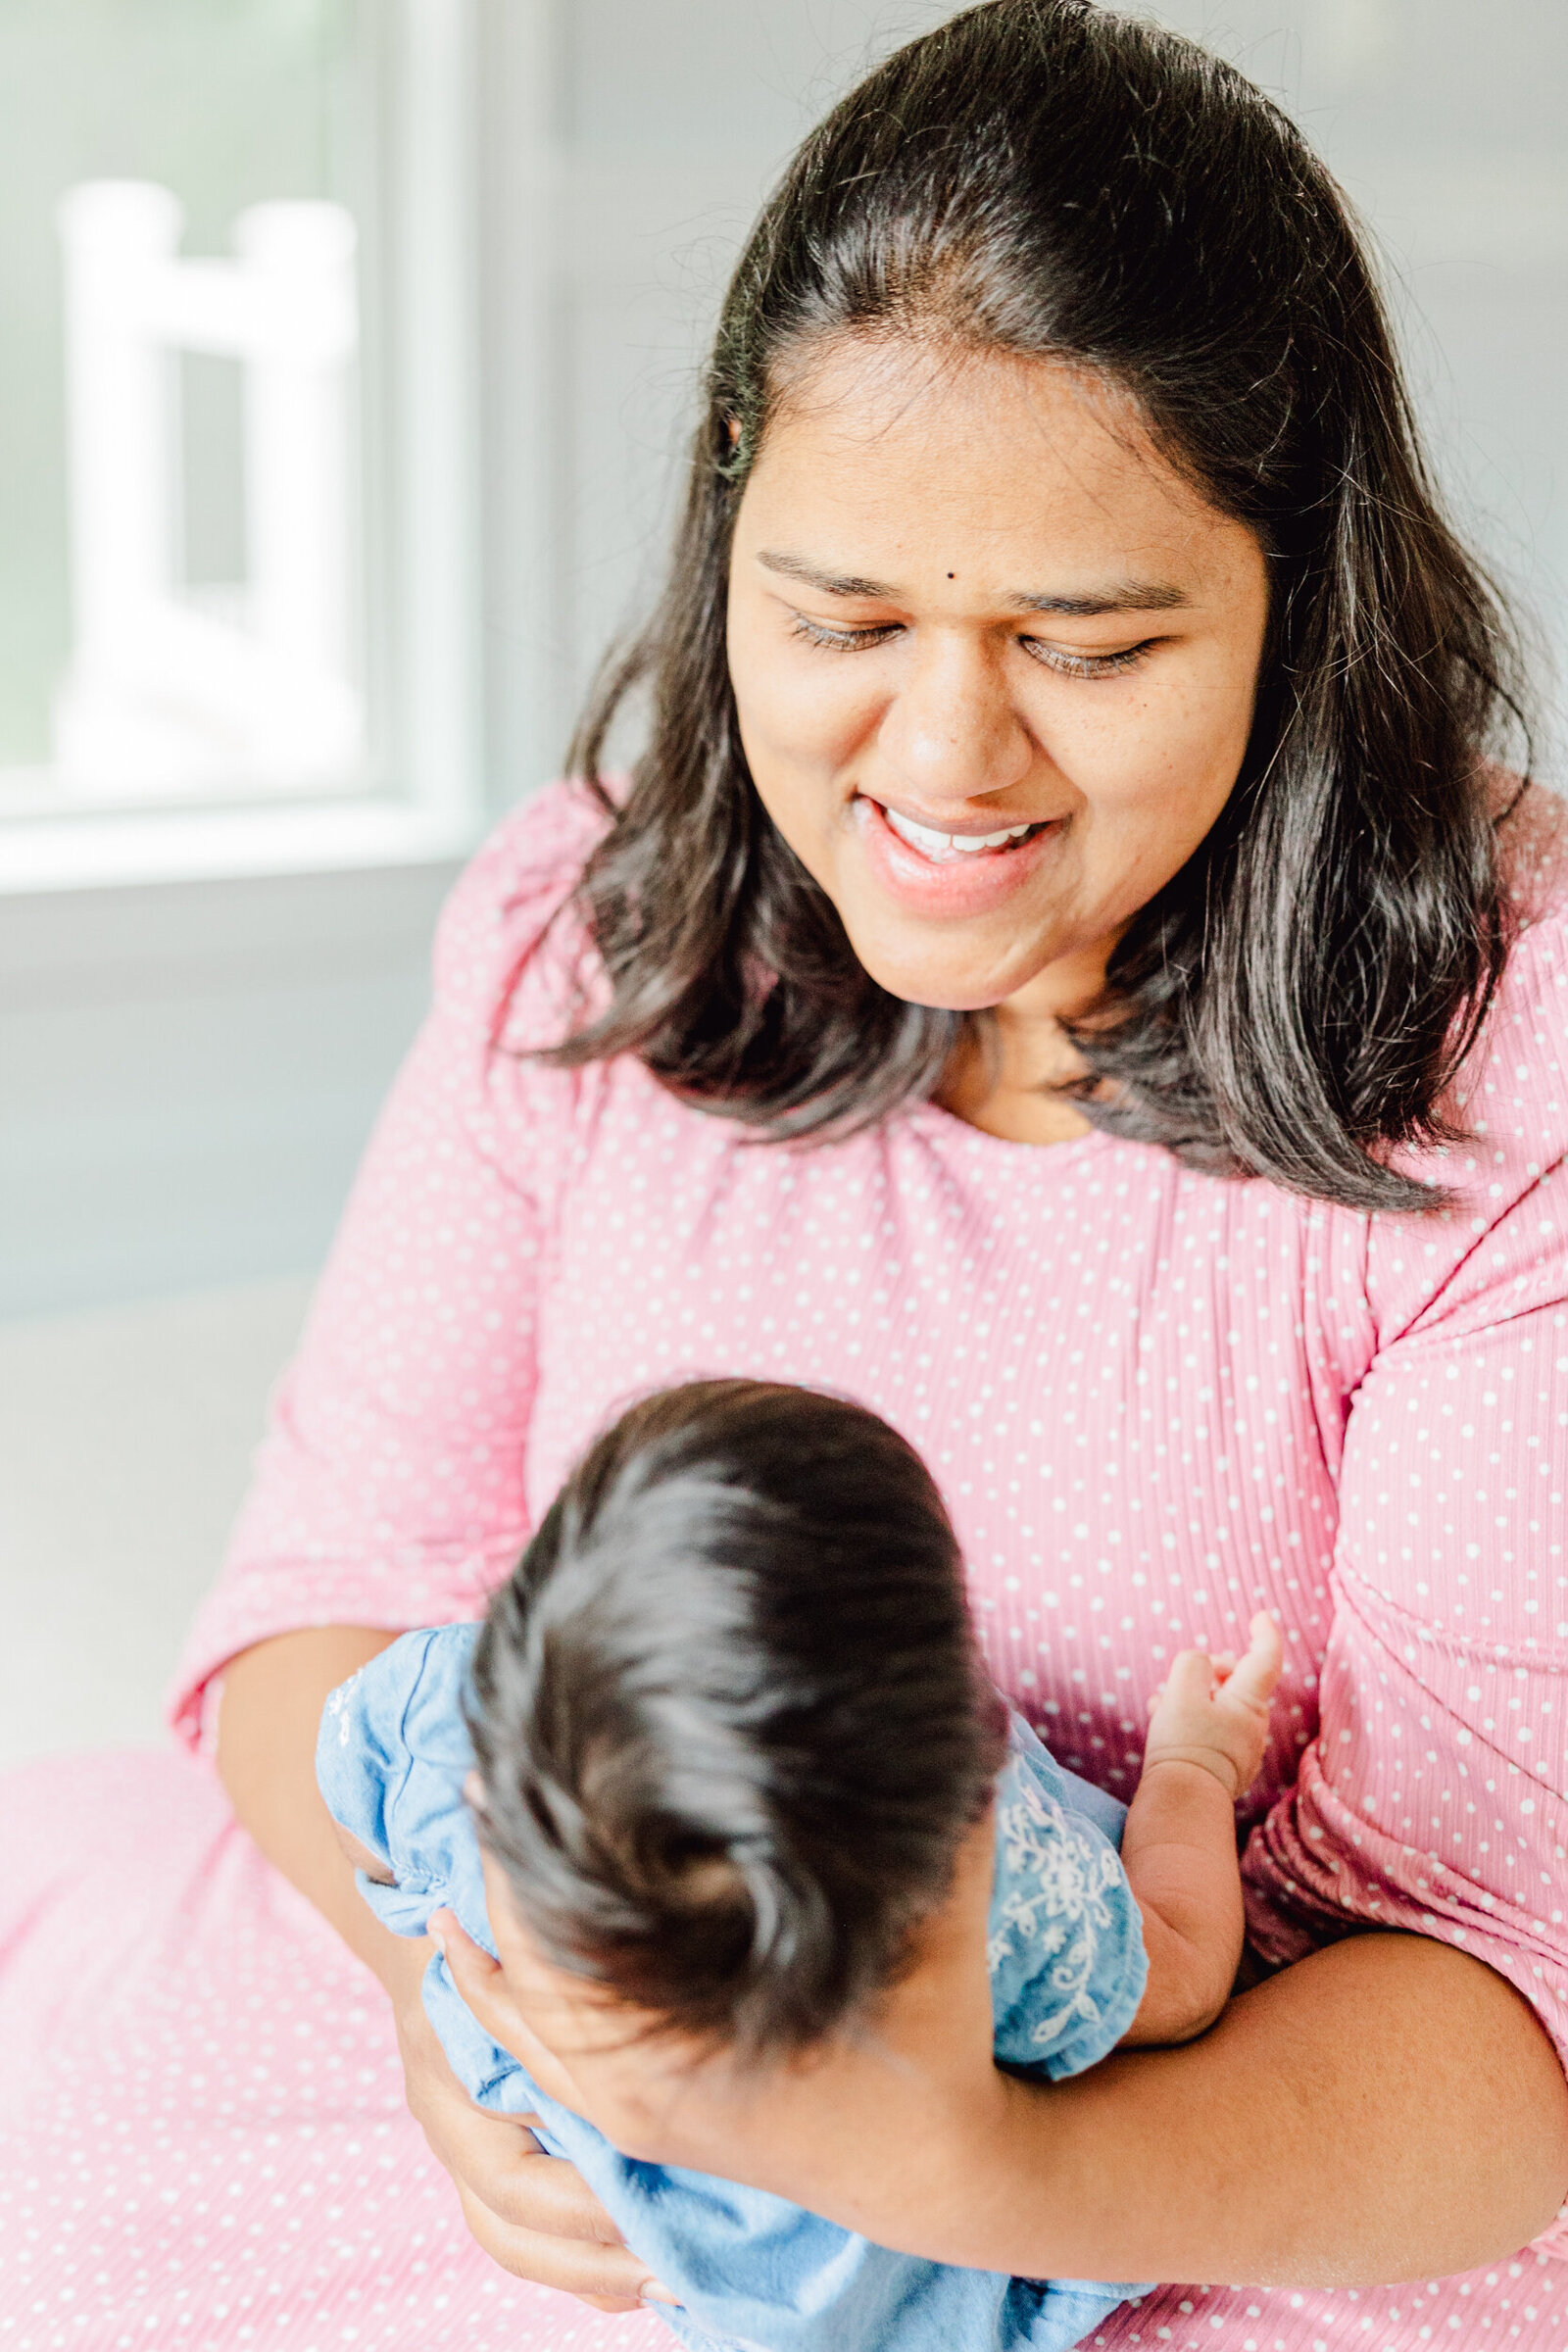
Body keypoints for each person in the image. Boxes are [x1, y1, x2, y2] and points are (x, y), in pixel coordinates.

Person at [3, 2, 1567, 2346]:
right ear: (731, 517)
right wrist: (476, 2007)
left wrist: (966, 2168)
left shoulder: (1502, 1057)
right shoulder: (599, 926)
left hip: (1194, 2159)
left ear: (1296, 599)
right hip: (564, 2019)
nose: (937, 756)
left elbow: (1494, 2015)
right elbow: (320, 1613)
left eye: (1089, 641)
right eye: (839, 619)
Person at [316, 1378, 1284, 2352]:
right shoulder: (998, 1899)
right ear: (951, 1768)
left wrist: (427, 1948)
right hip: (889, 2299)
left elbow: (361, 1830)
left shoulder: (431, 1717)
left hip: (641, 2227)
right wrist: (1192, 1768)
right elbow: (1187, 1968)